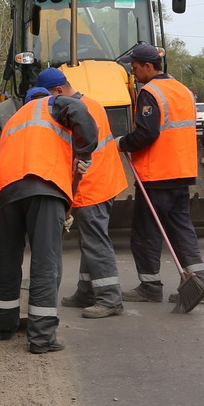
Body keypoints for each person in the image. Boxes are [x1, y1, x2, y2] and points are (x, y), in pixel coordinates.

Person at [0, 69, 97, 353]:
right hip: (45, 186)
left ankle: (4, 325)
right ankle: (41, 337)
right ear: (55, 92)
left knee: (8, 261)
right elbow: (77, 108)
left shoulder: (14, 117)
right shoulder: (52, 103)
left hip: (9, 192)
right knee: (45, 263)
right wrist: (85, 152)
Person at [116, 43, 204, 304]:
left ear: (149, 66)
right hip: (181, 171)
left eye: (135, 68)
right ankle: (201, 283)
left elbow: (147, 134)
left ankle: (149, 287)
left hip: (156, 174)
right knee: (182, 228)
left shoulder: (150, 92)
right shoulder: (183, 90)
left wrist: (122, 143)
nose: (133, 73)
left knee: (146, 232)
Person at [31, 70, 126, 319]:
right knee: (90, 241)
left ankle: (110, 298)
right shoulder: (90, 104)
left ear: (58, 92)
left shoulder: (75, 110)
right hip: (103, 181)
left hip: (92, 185)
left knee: (96, 242)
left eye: (50, 98)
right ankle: (86, 291)